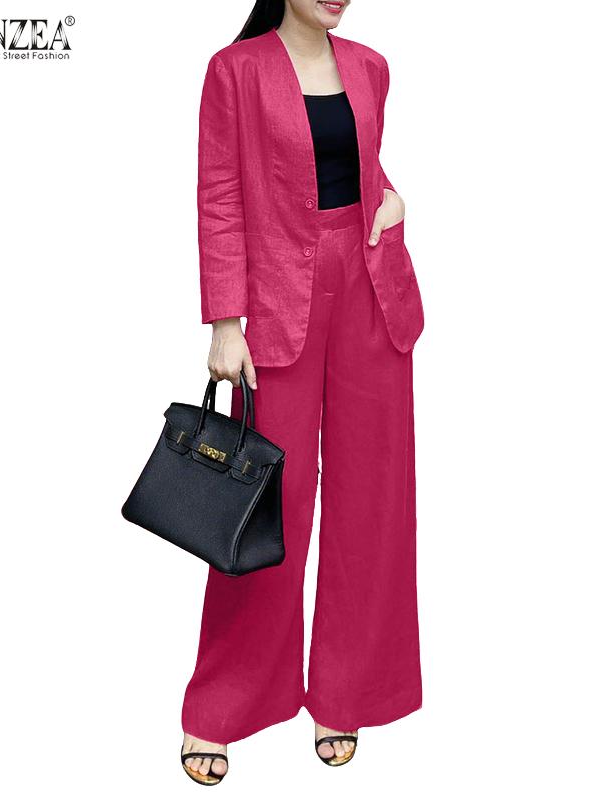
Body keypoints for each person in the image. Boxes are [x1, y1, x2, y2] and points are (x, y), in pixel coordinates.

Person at [181, 0, 424, 785]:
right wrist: (226, 322)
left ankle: (347, 694)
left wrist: (392, 197)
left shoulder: (370, 67)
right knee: (265, 506)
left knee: (371, 502)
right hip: (279, 302)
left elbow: (358, 163)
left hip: (371, 292)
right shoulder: (235, 71)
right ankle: (222, 707)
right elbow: (220, 195)